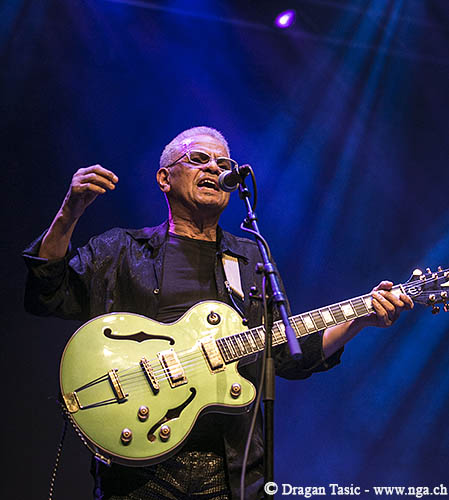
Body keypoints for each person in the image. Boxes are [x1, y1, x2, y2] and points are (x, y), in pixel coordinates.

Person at [23, 126, 413, 499]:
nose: (214, 168)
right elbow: (48, 292)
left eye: (224, 164)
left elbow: (285, 354)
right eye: (198, 159)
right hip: (139, 471)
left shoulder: (250, 257)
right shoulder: (122, 250)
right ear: (164, 178)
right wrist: (69, 213)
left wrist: (359, 319)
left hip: (231, 470)